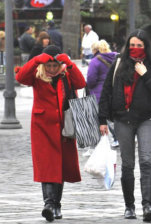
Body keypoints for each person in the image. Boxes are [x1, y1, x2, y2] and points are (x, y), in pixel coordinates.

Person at [98, 29, 151, 222]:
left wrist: (146, 74)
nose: (135, 49)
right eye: (132, 45)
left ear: (146, 46)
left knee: (146, 162)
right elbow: (106, 92)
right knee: (128, 164)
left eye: (139, 45)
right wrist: (102, 120)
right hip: (123, 120)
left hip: (146, 119)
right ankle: (129, 206)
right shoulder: (119, 63)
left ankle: (147, 205)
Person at [15, 45, 86, 222]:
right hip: (42, 127)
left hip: (64, 127)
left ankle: (56, 205)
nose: (52, 69)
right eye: (49, 65)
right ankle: (48, 204)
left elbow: (81, 83)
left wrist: (69, 63)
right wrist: (39, 59)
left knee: (60, 166)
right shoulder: (37, 75)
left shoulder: (66, 74)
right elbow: (21, 77)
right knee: (47, 165)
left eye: (55, 65)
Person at [86, 39, 118, 154]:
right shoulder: (115, 58)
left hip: (98, 95)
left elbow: (91, 80)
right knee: (111, 118)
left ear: (95, 50)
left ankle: (95, 146)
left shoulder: (95, 61)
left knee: (97, 120)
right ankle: (120, 138)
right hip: (113, 93)